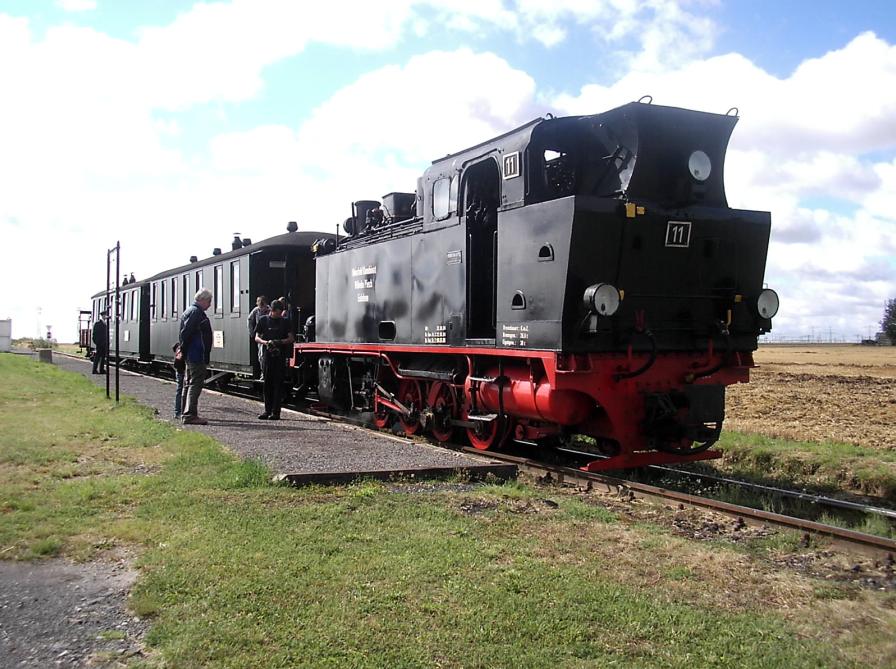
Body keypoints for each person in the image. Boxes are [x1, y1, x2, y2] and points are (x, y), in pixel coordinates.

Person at [254, 299, 294, 420]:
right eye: (277, 312)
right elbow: (256, 337)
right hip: (268, 355)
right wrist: (266, 343)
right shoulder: (263, 320)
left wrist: (279, 342)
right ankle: (267, 410)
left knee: (278, 384)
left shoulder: (285, 322)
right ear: (272, 310)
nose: (279, 314)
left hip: (280, 356)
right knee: (267, 384)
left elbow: (291, 338)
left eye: (281, 312)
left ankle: (276, 412)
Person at [179, 288, 213, 425]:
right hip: (196, 353)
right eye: (209, 301)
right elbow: (185, 333)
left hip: (192, 353)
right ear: (202, 300)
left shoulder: (191, 311)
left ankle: (184, 412)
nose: (210, 304)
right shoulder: (196, 313)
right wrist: (185, 349)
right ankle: (190, 414)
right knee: (195, 383)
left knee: (189, 383)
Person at [246, 296, 270, 376]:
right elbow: (249, 319)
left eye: (262, 306)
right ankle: (263, 372)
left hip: (269, 334)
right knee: (261, 355)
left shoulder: (270, 310)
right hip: (260, 335)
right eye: (260, 306)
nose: (261, 308)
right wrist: (252, 332)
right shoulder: (256, 310)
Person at [172, 342, 186, 418]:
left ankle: (178, 411)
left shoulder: (178, 346)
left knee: (180, 391)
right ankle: (178, 412)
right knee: (181, 391)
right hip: (182, 371)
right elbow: (177, 363)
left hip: (179, 371)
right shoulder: (182, 348)